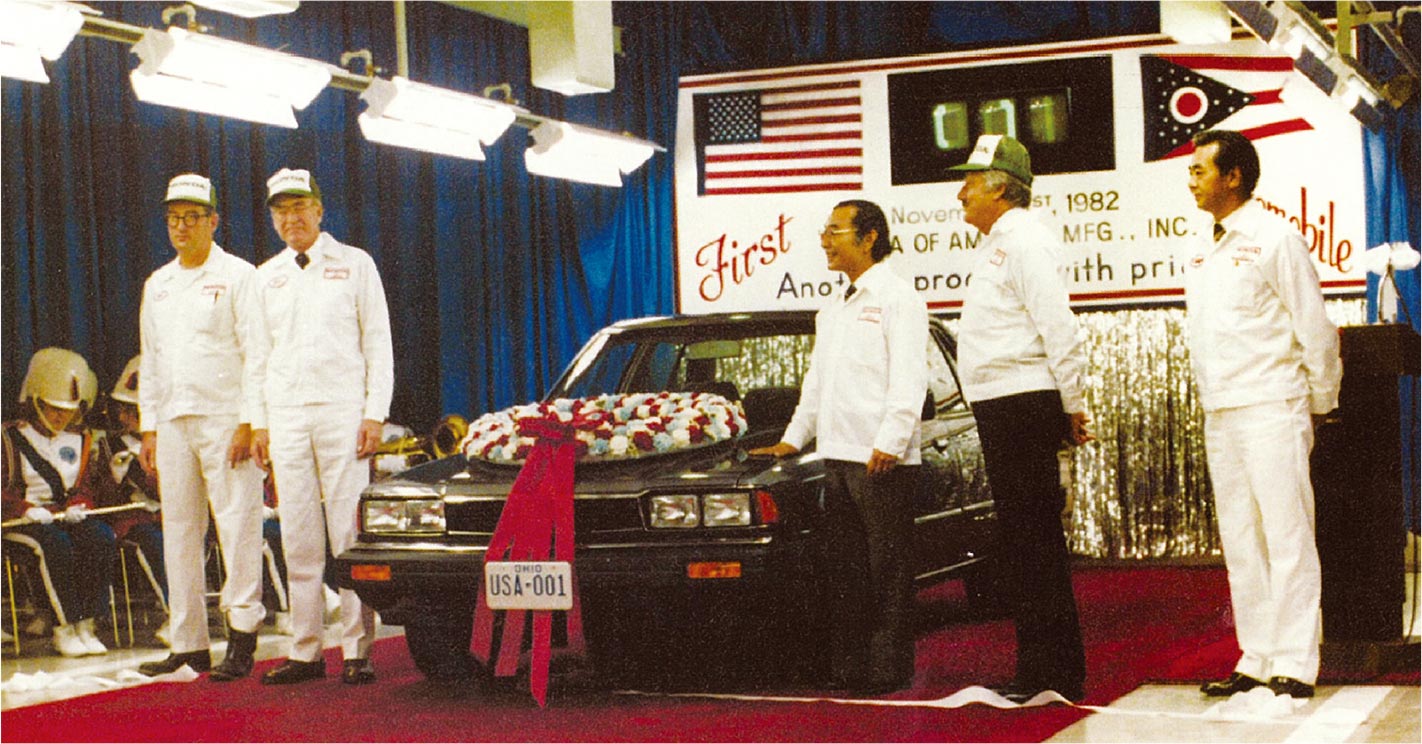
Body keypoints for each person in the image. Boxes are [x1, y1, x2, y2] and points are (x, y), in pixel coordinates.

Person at [1185, 129, 1341, 700]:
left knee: (1287, 533)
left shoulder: (1276, 237)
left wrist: (1322, 400)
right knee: (1242, 540)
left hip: (1273, 403)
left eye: (1201, 169)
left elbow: (1314, 328)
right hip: (1221, 409)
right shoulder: (1200, 245)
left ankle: (1297, 661)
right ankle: (1256, 655)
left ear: (1234, 177)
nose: (1192, 179)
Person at [750, 199, 928, 694]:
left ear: (870, 237)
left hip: (880, 458)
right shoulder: (832, 308)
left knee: (887, 570)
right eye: (824, 232)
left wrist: (890, 441)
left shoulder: (899, 297)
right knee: (846, 567)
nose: (825, 241)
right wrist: (792, 439)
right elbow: (817, 383)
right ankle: (850, 666)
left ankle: (888, 670)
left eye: (835, 231)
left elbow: (910, 379)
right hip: (837, 453)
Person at [952, 135, 1093, 703]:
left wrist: (1073, 401)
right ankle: (1040, 668)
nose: (960, 192)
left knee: (1033, 537)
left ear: (1001, 188)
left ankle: (1054, 672)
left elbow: (1058, 324)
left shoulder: (1026, 240)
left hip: (1022, 399)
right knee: (1024, 539)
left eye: (970, 181)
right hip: (1002, 400)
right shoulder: (997, 244)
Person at [247, 168, 394, 685]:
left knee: (348, 534)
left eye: (300, 206)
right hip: (287, 417)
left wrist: (375, 411)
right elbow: (257, 358)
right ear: (272, 217)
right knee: (299, 536)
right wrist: (259, 423)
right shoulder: (265, 276)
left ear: (319, 209)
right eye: (281, 210)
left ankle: (357, 649)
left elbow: (378, 342)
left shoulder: (354, 264)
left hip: (342, 413)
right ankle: (305, 651)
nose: (292, 218)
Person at [134, 174, 267, 682]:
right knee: (180, 531)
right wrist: (149, 427)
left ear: (214, 220)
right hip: (172, 421)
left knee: (236, 526)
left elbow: (257, 353)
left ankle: (242, 634)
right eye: (174, 217)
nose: (182, 226)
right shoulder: (158, 283)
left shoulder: (238, 275)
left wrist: (250, 420)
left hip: (225, 418)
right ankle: (189, 642)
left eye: (193, 217)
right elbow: (152, 359)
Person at [1, 347, 116, 657]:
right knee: (53, 544)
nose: (60, 416)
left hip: (64, 518)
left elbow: (88, 487)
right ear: (36, 401)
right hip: (23, 521)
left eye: (67, 410)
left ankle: (87, 626)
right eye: (52, 408)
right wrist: (25, 509)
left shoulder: (82, 438)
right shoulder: (8, 438)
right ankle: (63, 627)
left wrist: (81, 503)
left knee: (100, 536)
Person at [96, 355, 168, 641]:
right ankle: (173, 612)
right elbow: (105, 498)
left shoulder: (171, 440)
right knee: (154, 541)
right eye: (123, 411)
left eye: (135, 412)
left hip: (168, 515)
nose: (126, 419)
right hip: (133, 520)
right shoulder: (109, 444)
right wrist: (116, 475)